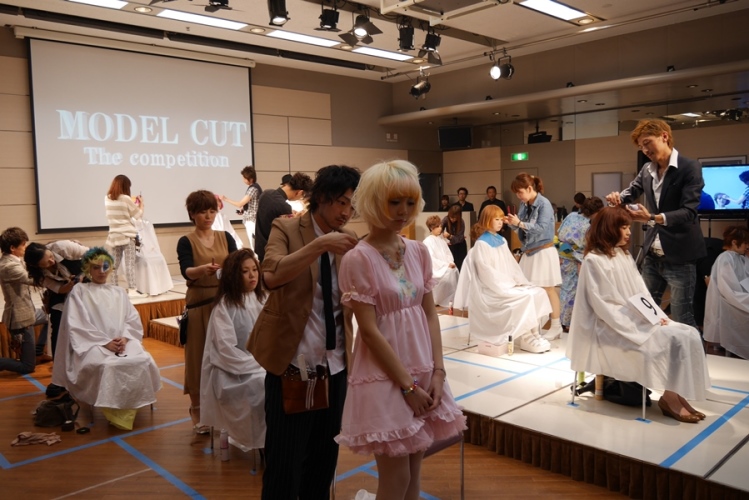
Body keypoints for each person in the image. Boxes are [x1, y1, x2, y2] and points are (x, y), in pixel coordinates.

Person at [335, 160, 466, 500]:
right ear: (373, 202)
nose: (403, 211)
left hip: (422, 370)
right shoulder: (358, 258)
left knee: (413, 478)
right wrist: (408, 387)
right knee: (396, 480)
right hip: (384, 375)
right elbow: (368, 331)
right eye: (394, 202)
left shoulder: (419, 251)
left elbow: (430, 314)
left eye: (410, 202)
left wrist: (438, 372)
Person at [248, 164, 361, 500]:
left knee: (323, 464)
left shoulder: (348, 241)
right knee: (284, 465)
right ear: (321, 198)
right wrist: (319, 245)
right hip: (294, 365)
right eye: (341, 202)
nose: (346, 212)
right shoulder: (285, 228)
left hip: (335, 366)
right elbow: (271, 276)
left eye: (351, 205)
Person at [566, 207, 709, 423]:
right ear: (609, 228)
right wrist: (639, 323)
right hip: (609, 325)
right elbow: (603, 305)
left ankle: (676, 394)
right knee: (668, 338)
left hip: (633, 317)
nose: (629, 232)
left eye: (628, 227)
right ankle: (670, 398)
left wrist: (656, 316)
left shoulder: (623, 255)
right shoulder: (594, 260)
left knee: (688, 333)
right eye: (623, 227)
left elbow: (641, 293)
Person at [606, 119, 706, 327]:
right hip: (652, 254)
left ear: (664, 136)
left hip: (680, 255)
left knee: (682, 317)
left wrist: (651, 217)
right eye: (641, 147)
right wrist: (618, 197)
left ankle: (693, 350)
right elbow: (631, 191)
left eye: (647, 143)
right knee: (645, 313)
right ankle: (655, 349)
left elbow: (689, 212)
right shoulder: (646, 170)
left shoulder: (689, 168)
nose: (645, 150)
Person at [52, 247, 161, 430]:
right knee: (108, 365)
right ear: (88, 269)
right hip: (93, 344)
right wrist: (105, 342)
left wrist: (125, 338)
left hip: (122, 341)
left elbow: (131, 319)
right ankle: (114, 407)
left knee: (143, 359)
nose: (101, 271)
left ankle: (130, 402)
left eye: (105, 266)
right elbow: (78, 324)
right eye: (96, 267)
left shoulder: (119, 292)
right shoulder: (80, 291)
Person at [177, 190, 238, 435]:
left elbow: (236, 265)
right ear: (192, 214)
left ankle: (228, 408)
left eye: (212, 211)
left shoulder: (226, 237)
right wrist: (202, 270)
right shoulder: (186, 241)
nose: (208, 216)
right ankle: (197, 409)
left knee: (228, 355)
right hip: (199, 305)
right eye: (203, 211)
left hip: (225, 303)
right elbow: (186, 271)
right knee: (197, 358)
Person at [458, 205, 552, 354]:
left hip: (506, 284)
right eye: (496, 219)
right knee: (525, 297)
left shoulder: (502, 240)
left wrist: (519, 281)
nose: (500, 222)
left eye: (501, 219)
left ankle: (534, 333)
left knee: (537, 292)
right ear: (487, 220)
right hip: (492, 290)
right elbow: (486, 273)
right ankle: (526, 337)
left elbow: (512, 266)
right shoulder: (481, 244)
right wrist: (507, 285)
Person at [201, 249, 267, 450]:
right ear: (233, 275)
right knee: (262, 386)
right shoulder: (225, 306)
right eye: (245, 271)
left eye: (254, 269)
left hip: (262, 363)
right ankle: (262, 442)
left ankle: (276, 440)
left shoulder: (264, 298)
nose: (252, 275)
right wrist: (259, 364)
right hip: (232, 371)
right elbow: (226, 350)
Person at [505, 173, 563, 339]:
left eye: (520, 192)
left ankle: (556, 326)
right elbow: (522, 227)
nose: (518, 196)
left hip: (543, 250)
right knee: (529, 290)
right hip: (529, 251)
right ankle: (533, 328)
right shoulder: (524, 204)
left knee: (548, 289)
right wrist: (512, 224)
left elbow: (541, 228)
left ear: (530, 188)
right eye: (516, 193)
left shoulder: (544, 204)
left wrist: (519, 223)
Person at [24, 240, 88, 356]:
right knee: (57, 325)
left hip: (86, 283)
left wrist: (82, 275)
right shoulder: (38, 274)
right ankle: (58, 361)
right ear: (37, 266)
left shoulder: (63, 247)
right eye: (46, 263)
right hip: (62, 291)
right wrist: (70, 284)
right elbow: (58, 289)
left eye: (50, 256)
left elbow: (94, 256)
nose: (52, 261)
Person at [0, 227, 50, 373]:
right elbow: (34, 280)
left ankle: (38, 351)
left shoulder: (15, 260)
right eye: (23, 244)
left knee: (51, 315)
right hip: (20, 319)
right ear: (12, 248)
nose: (26, 247)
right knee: (27, 367)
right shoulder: (8, 266)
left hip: (29, 312)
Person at [557, 197, 604, 330]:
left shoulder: (571, 216)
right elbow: (587, 244)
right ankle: (568, 322)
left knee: (566, 289)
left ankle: (563, 320)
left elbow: (559, 233)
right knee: (574, 291)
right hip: (577, 258)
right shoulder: (589, 224)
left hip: (563, 254)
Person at [703, 226, 749, 359]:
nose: (747, 246)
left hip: (737, 297)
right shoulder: (725, 259)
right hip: (728, 302)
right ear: (734, 242)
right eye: (745, 243)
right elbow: (729, 290)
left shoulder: (740, 258)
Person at [253, 172, 312, 262]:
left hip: (259, 246)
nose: (301, 198)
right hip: (273, 252)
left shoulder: (266, 193)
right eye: (302, 196)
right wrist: (297, 219)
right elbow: (291, 234)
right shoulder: (284, 207)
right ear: (299, 192)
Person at [105, 174, 144, 297]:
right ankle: (132, 289)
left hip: (114, 236)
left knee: (114, 265)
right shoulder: (126, 199)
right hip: (127, 236)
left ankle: (114, 289)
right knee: (129, 264)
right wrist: (141, 203)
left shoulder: (106, 198)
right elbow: (138, 215)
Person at [221, 166, 262, 250]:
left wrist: (226, 199)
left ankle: (256, 257)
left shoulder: (253, 189)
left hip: (252, 220)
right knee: (254, 243)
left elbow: (240, 204)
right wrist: (243, 210)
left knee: (254, 245)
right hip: (252, 219)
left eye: (244, 178)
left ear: (250, 179)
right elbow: (251, 204)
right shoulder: (255, 187)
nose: (243, 180)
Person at [422, 215, 459, 308]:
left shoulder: (441, 240)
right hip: (436, 269)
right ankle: (440, 299)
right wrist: (446, 265)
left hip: (445, 265)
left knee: (454, 270)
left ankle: (452, 299)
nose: (440, 228)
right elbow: (431, 258)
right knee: (448, 272)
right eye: (437, 226)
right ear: (431, 228)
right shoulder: (427, 241)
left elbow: (448, 253)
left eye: (440, 226)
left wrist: (450, 262)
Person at [441, 204, 467, 271]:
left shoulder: (461, 222)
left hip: (460, 247)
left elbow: (459, 239)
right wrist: (444, 236)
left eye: (455, 218)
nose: (452, 219)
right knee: (451, 265)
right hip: (451, 246)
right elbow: (440, 229)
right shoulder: (446, 219)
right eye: (451, 217)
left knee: (460, 266)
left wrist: (450, 236)